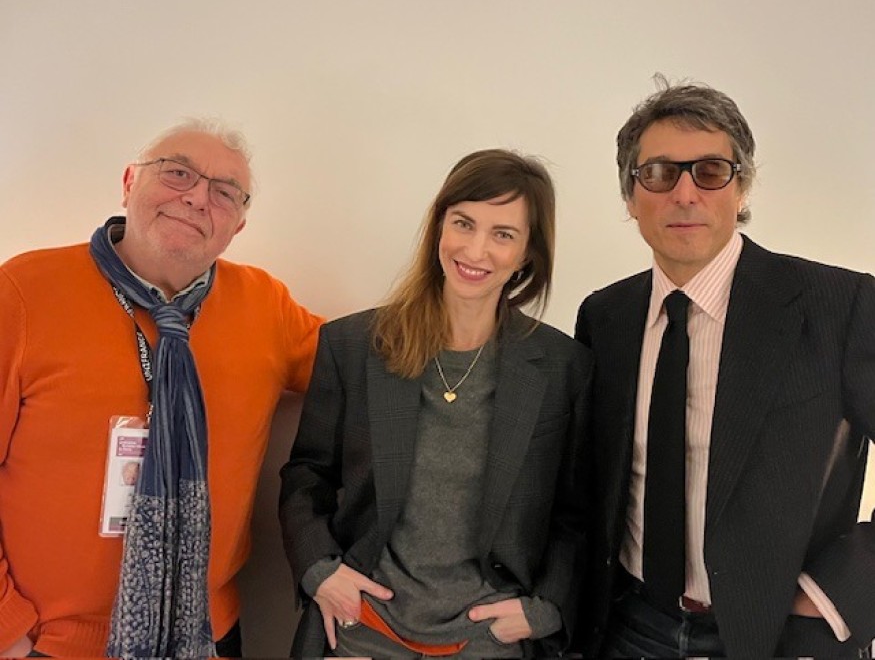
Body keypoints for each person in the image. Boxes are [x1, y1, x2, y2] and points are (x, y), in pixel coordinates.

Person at [573, 78, 875, 657]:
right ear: (630, 196)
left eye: (710, 171)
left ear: (742, 187)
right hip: (629, 629)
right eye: (659, 173)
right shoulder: (604, 317)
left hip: (781, 637)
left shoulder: (839, 306)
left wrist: (840, 594)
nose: (685, 194)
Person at [0, 119, 323, 657]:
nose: (197, 198)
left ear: (238, 226)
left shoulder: (265, 306)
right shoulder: (24, 292)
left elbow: (370, 361)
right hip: (50, 644)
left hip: (204, 635)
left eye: (225, 193)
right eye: (177, 173)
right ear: (130, 182)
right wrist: (7, 626)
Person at [279, 149, 590, 658]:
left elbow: (575, 513)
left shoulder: (563, 367)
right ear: (439, 227)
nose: (476, 249)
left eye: (503, 234)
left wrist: (545, 610)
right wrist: (320, 572)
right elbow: (306, 476)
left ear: (527, 253)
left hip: (488, 640)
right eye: (463, 223)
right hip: (363, 629)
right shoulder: (353, 346)